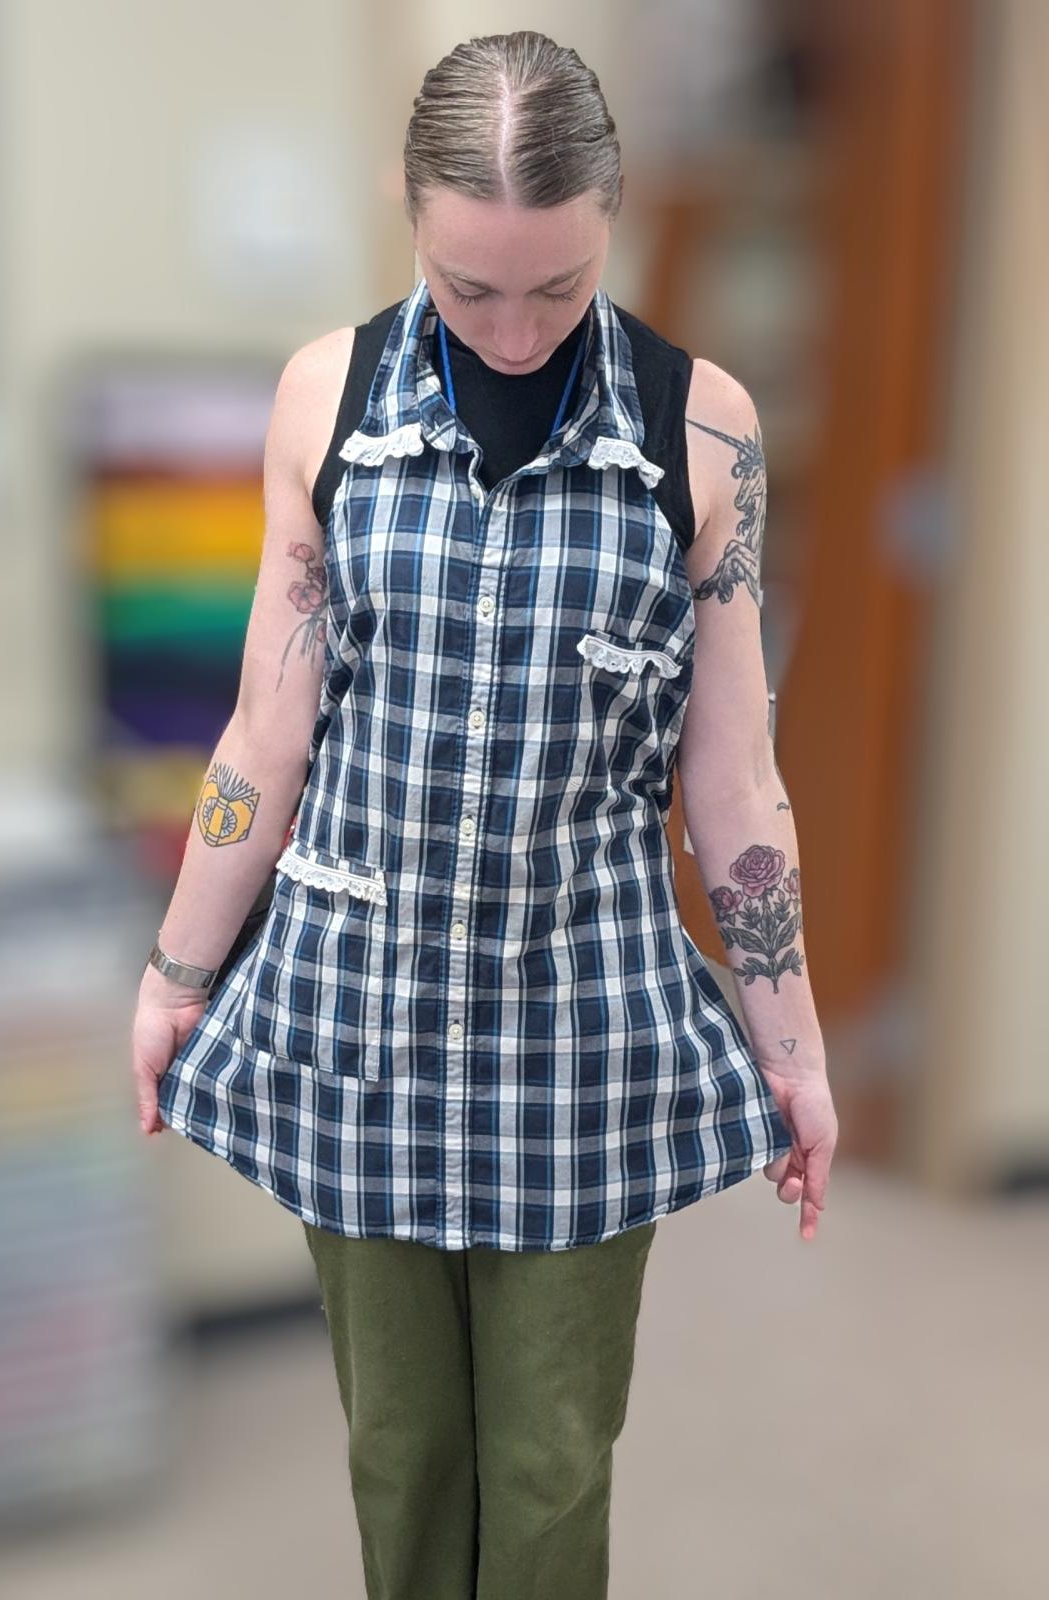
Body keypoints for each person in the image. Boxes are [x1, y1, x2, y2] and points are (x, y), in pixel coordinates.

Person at [131, 28, 838, 1600]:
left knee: (545, 1466)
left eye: (558, 288)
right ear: (407, 219)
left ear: (616, 217)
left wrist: (792, 1048)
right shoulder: (325, 397)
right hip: (355, 1012)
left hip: (583, 1031)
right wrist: (176, 973)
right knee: (402, 1455)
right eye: (468, 288)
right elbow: (273, 718)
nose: (514, 331)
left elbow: (731, 775)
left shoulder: (702, 431)